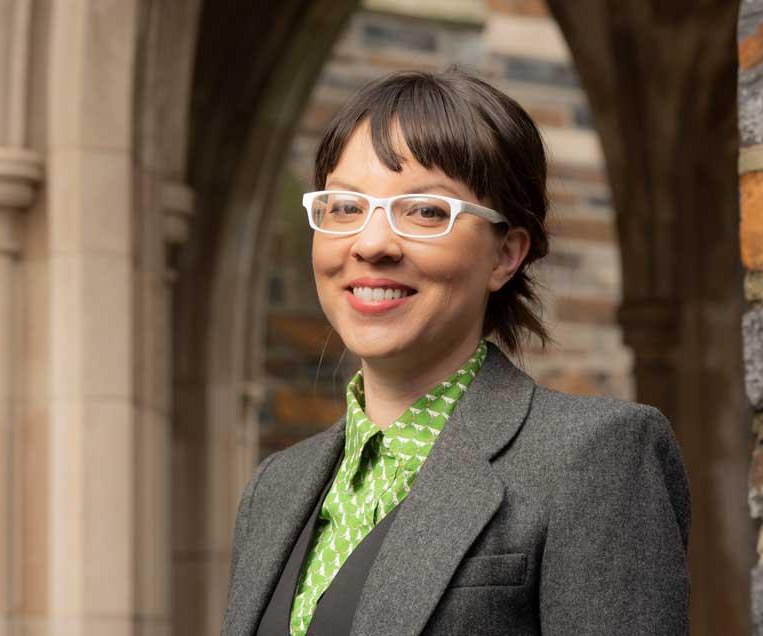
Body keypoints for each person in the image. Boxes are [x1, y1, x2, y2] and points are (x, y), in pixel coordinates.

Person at [222, 68, 690, 636]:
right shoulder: (275, 486)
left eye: (425, 211)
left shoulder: (597, 458)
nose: (371, 244)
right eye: (345, 207)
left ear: (506, 255)